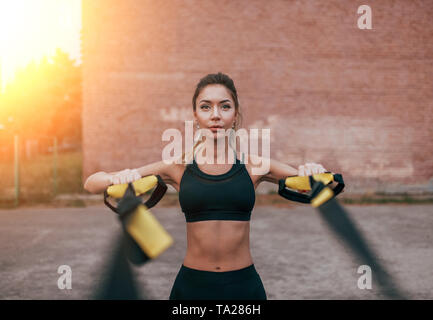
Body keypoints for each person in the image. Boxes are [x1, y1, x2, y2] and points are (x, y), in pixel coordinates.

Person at [84, 72, 333, 300]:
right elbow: (91, 184)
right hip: (192, 288)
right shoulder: (177, 167)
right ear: (196, 116)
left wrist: (314, 170)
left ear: (235, 115)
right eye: (206, 107)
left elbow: (322, 187)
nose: (216, 115)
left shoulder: (255, 166)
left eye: (225, 106)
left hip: (243, 288)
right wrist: (116, 177)